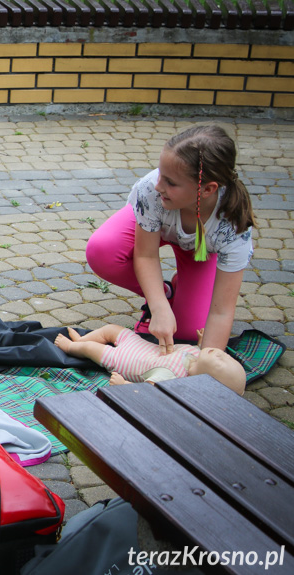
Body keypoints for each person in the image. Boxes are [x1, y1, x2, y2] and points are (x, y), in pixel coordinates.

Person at [85, 124, 254, 355]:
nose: (158, 185)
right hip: (151, 229)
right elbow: (145, 254)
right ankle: (165, 293)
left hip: (200, 250)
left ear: (207, 189)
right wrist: (159, 305)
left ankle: (180, 290)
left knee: (189, 332)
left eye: (170, 182)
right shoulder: (153, 191)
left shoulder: (233, 227)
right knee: (101, 250)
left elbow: (222, 311)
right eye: (160, 174)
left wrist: (207, 362)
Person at [54, 325, 246, 395]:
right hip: (138, 344)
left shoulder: (172, 377)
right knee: (111, 329)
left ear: (206, 379)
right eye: (226, 355)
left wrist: (124, 384)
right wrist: (202, 344)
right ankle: (82, 339)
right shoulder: (197, 355)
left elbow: (147, 393)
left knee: (91, 349)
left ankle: (73, 347)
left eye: (220, 361)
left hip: (124, 359)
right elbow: (198, 352)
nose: (220, 353)